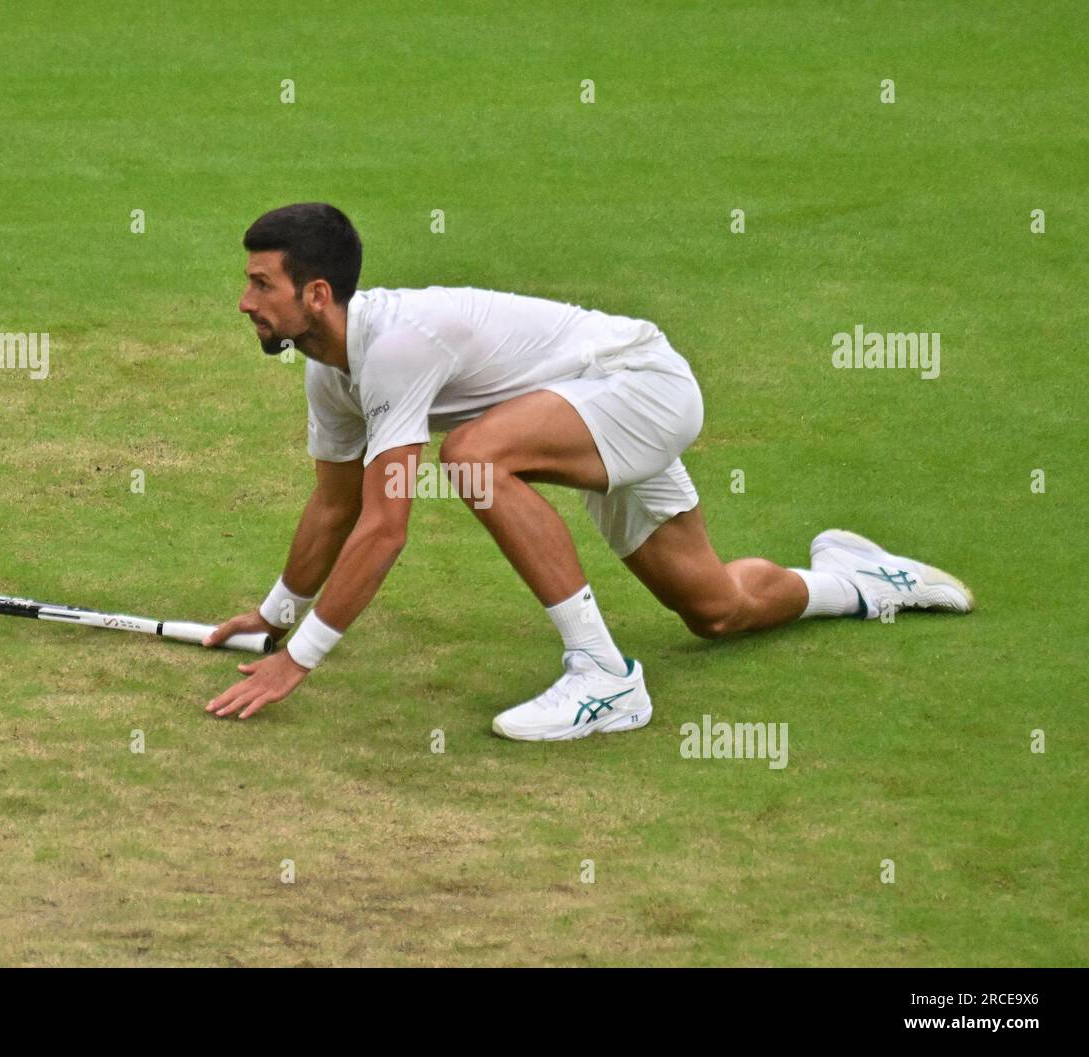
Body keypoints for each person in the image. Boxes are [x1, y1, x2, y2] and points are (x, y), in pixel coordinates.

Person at [204, 203, 973, 739]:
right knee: (717, 608)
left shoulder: (397, 346)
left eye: (260, 284)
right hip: (586, 407)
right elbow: (336, 507)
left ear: (316, 293)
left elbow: (385, 525)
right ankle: (862, 581)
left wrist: (299, 662)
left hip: (637, 385)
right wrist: (274, 615)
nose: (244, 301)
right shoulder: (326, 371)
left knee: (472, 456)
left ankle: (603, 674)